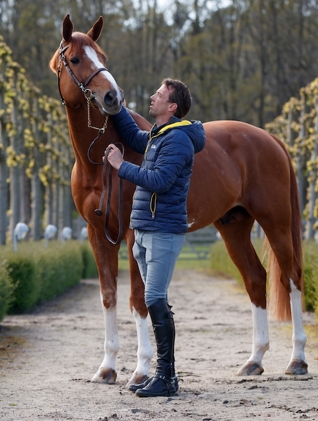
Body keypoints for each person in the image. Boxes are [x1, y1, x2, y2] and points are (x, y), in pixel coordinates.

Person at [105, 78, 206, 397]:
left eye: (159, 95)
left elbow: (161, 180)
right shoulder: (160, 134)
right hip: (146, 228)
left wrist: (121, 167)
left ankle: (167, 377)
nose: (152, 97)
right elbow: (136, 137)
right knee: (155, 299)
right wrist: (117, 108)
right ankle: (164, 375)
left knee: (154, 299)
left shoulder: (177, 140)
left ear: (172, 106)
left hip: (163, 230)